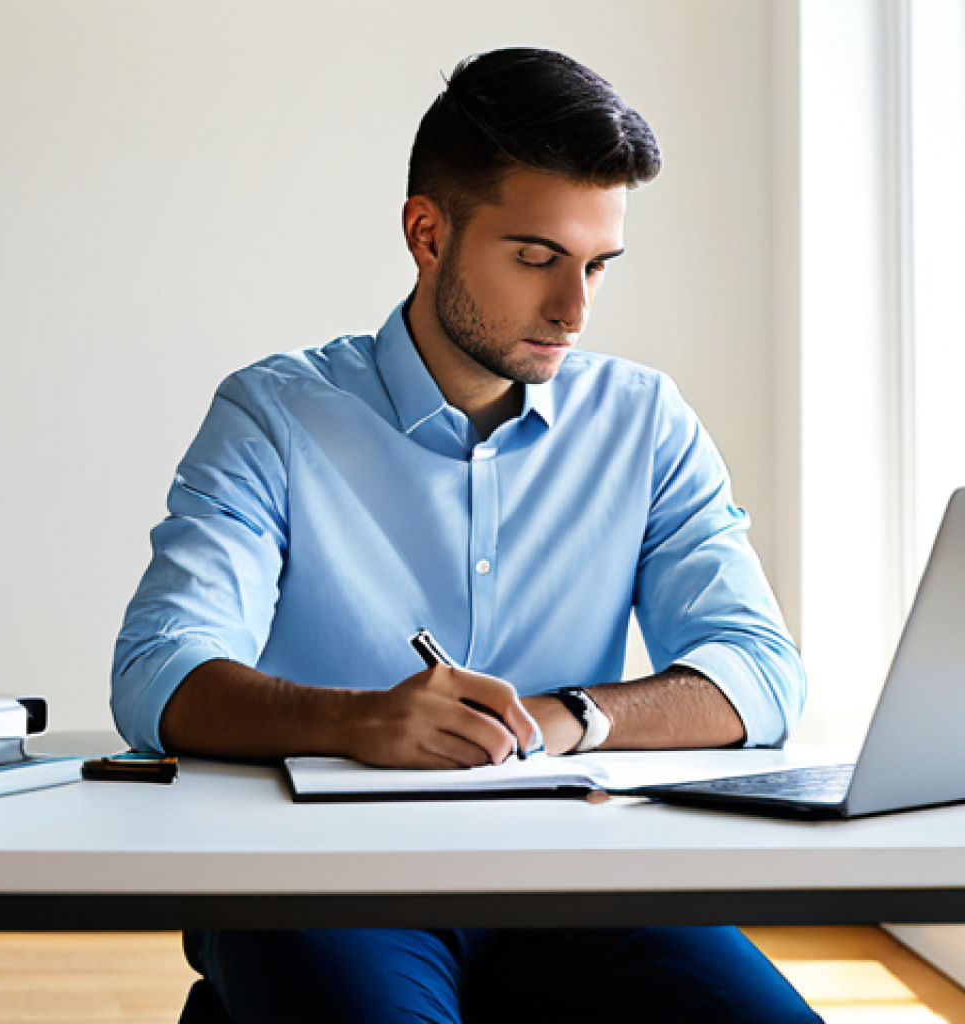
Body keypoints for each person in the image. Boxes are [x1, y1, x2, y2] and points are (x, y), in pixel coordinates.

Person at [112, 47, 818, 1024]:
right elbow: (156, 672)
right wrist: (357, 722)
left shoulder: (644, 420)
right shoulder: (275, 413)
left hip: (580, 879)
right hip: (319, 883)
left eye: (596, 265)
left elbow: (760, 674)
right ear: (427, 231)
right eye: (536, 258)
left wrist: (559, 715)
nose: (572, 309)